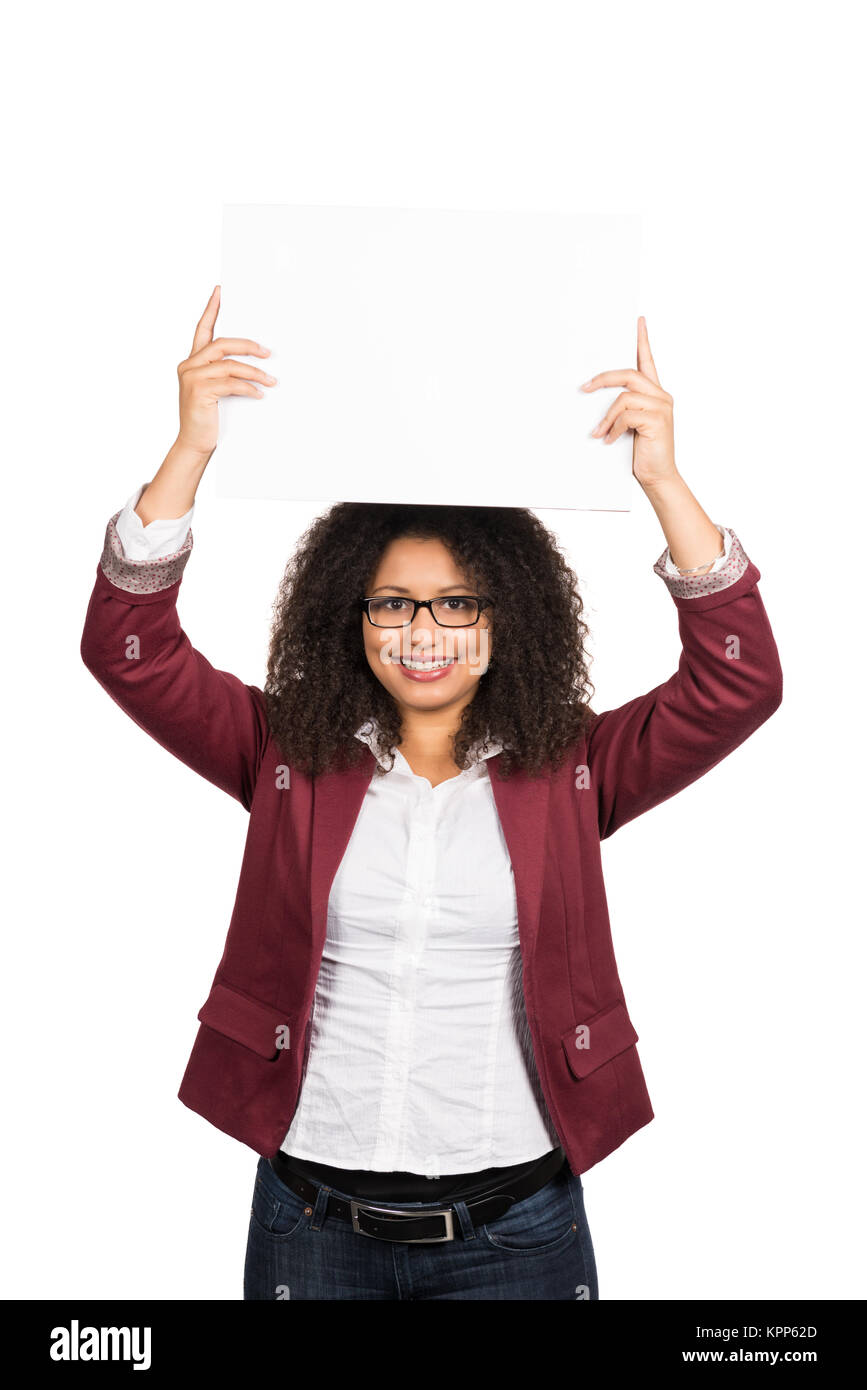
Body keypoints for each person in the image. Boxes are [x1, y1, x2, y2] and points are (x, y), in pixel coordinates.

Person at [80, 287, 783, 1300]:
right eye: (395, 603)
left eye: (458, 604)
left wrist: (665, 480)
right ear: (351, 615)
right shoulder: (286, 753)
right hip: (312, 1223)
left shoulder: (572, 771)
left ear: (508, 620)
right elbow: (129, 651)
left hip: (517, 1232)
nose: (423, 632)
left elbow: (739, 682)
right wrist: (189, 450)